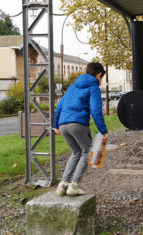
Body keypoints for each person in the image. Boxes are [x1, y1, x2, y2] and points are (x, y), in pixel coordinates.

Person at [54, 62, 108, 196]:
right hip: (78, 124)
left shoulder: (72, 87)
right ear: (99, 75)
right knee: (87, 152)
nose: (101, 81)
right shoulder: (93, 87)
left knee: (76, 153)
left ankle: (64, 185)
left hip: (63, 125)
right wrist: (103, 130)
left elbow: (59, 106)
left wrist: (56, 125)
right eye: (101, 78)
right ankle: (75, 185)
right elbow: (96, 110)